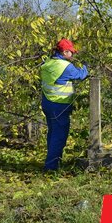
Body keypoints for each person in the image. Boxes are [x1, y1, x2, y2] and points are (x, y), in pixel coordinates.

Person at [40, 38, 88, 171]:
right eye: (71, 52)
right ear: (65, 52)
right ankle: (51, 167)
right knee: (59, 136)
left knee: (52, 133)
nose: (73, 55)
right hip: (59, 105)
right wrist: (85, 66)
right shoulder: (65, 66)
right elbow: (81, 75)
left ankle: (53, 162)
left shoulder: (49, 63)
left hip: (48, 103)